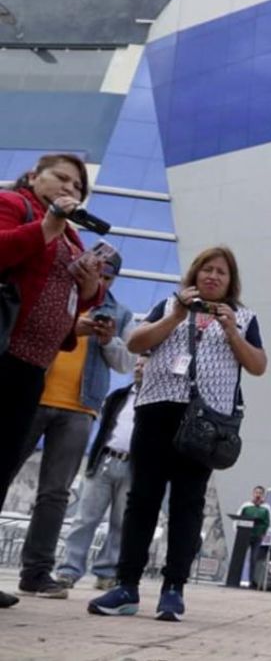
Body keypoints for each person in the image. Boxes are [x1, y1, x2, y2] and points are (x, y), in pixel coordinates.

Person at [88, 246, 267, 622]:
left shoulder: (244, 317)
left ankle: (174, 589)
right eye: (206, 269)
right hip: (156, 413)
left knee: (188, 505)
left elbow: (257, 365)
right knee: (142, 500)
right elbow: (137, 343)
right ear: (194, 274)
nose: (213, 277)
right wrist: (177, 316)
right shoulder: (170, 305)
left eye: (221, 272)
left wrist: (231, 329)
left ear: (231, 281)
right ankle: (127, 586)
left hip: (205, 422)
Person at [0, 153, 104, 609]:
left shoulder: (74, 235)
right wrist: (48, 224)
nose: (70, 189)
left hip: (30, 367)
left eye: (78, 186)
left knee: (1, 468)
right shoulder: (13, 204)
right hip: (3, 353)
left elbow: (79, 298)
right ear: (34, 177)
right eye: (61, 178)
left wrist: (89, 287)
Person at [14, 249, 135, 600]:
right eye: (99, 272)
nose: (102, 280)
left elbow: (126, 362)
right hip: (32, 396)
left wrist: (107, 339)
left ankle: (37, 572)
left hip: (80, 408)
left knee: (55, 494)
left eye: (109, 277)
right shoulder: (52, 290)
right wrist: (69, 326)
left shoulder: (119, 312)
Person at [57, 356, 146, 591]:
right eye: (137, 363)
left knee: (120, 522)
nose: (139, 367)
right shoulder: (118, 397)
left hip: (133, 467)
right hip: (106, 459)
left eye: (144, 364)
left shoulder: (155, 403)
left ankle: (107, 572)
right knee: (85, 518)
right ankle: (69, 569)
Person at [238, 485, 271, 588]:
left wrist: (264, 533)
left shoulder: (266, 508)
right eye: (256, 492)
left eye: (260, 493)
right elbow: (238, 518)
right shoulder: (246, 506)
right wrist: (238, 532)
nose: (258, 495)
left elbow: (269, 522)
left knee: (254, 559)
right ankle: (236, 579)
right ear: (253, 493)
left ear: (263, 495)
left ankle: (252, 582)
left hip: (258, 537)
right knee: (240, 558)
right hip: (245, 535)